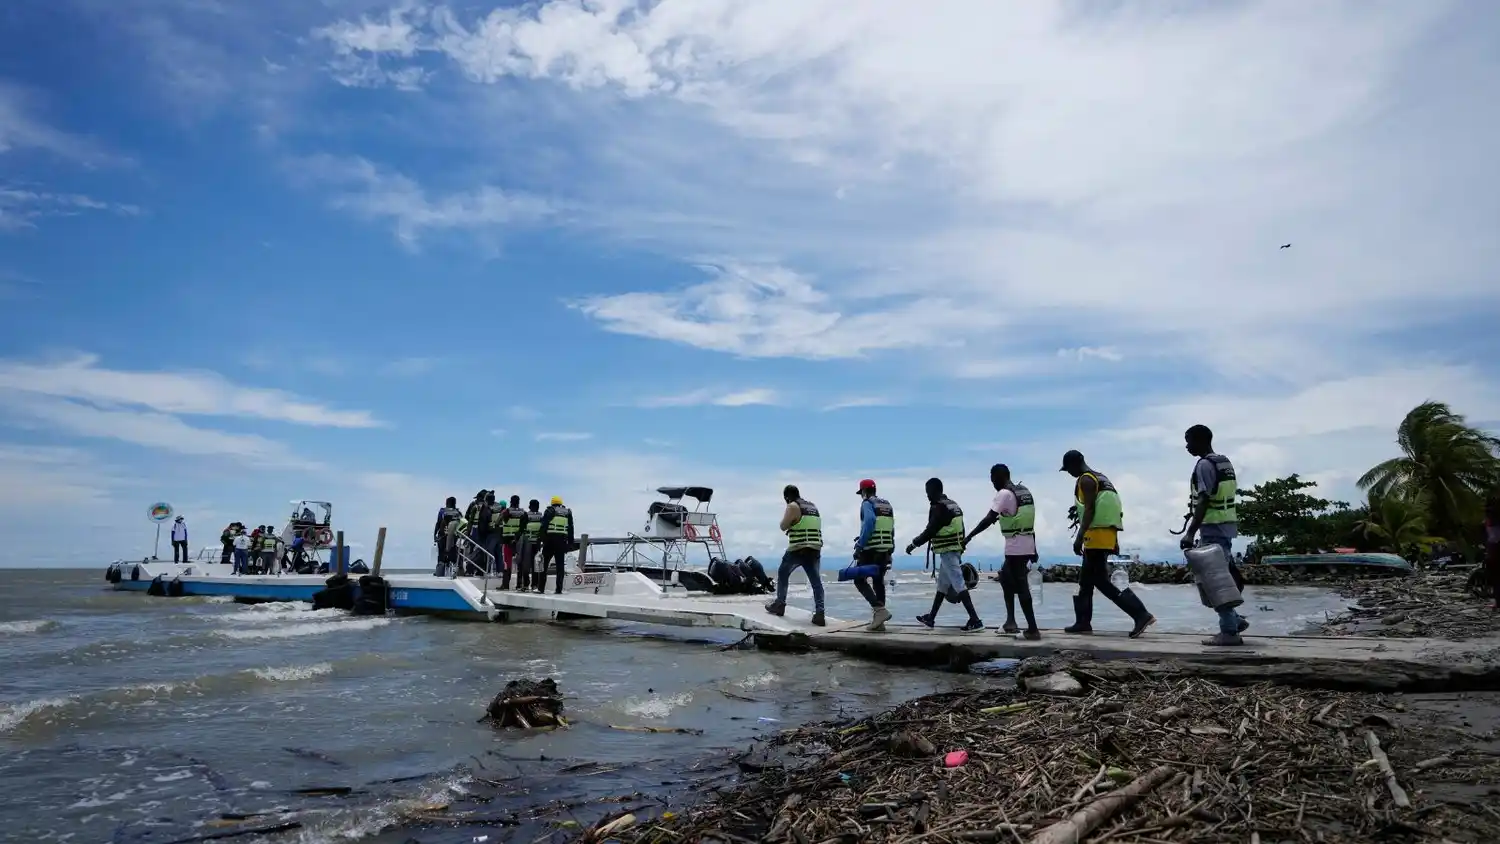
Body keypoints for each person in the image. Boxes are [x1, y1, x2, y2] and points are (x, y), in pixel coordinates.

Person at [1060, 450, 1155, 638]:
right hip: (1107, 534)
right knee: (1086, 581)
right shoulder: (1103, 479)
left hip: (1095, 534)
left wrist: (1079, 536)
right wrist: (1115, 541)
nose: (1068, 473)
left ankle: (1140, 614)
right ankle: (1083, 623)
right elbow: (1112, 509)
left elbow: (1089, 509)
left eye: (1068, 468)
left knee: (1100, 581)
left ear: (1075, 463)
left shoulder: (1086, 480)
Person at [1180, 424, 1250, 646]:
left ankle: (1229, 631)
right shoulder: (1224, 463)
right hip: (1226, 527)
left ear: (1200, 440)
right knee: (1223, 577)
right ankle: (1235, 621)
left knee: (1214, 581)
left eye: (1189, 441)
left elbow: (1204, 499)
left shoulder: (1203, 465)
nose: (1187, 446)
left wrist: (1190, 532)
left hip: (1212, 529)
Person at [964, 464, 1041, 639]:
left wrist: (969, 537)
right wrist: (1034, 548)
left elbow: (989, 518)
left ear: (998, 476)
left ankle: (1033, 630)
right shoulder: (1023, 492)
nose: (992, 483)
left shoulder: (1004, 494)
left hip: (1016, 546)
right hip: (1026, 543)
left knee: (1021, 585)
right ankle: (1011, 622)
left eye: (992, 479)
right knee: (1006, 578)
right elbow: (1027, 520)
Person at [906, 477, 984, 632]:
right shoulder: (953, 505)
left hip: (948, 551)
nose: (927, 496)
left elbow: (930, 530)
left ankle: (975, 620)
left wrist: (913, 544)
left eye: (928, 492)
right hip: (953, 549)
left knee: (958, 584)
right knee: (942, 585)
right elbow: (961, 528)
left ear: (934, 491)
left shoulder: (939, 507)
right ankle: (931, 618)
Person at [764, 485, 827, 626]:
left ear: (787, 497)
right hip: (815, 548)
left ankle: (780, 604)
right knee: (816, 582)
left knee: (783, 572)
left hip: (799, 548)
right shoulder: (812, 506)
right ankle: (820, 613)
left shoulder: (792, 506)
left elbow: (783, 526)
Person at [851, 479, 896, 632]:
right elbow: (891, 527)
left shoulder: (866, 503)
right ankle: (879, 622)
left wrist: (860, 545)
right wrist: (890, 547)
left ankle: (879, 611)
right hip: (885, 548)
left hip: (871, 549)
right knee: (878, 582)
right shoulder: (886, 505)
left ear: (864, 492)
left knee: (858, 579)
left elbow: (869, 522)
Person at [539, 495, 575, 594]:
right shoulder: (567, 512)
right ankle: (558, 589)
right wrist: (570, 543)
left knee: (544, 565)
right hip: (562, 541)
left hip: (550, 541)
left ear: (552, 503)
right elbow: (571, 528)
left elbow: (544, 526)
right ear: (560, 503)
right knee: (560, 567)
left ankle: (541, 588)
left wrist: (542, 539)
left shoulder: (550, 511)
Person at [516, 498, 544, 591]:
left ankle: (525, 585)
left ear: (530, 506)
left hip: (527, 542)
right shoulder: (541, 516)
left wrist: (516, 541)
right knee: (536, 564)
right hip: (537, 543)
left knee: (526, 565)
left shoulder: (525, 515)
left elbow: (520, 529)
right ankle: (534, 585)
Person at [499, 494, 526, 589]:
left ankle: (505, 584)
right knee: (520, 562)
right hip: (518, 540)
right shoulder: (523, 512)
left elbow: (498, 522)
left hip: (507, 539)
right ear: (518, 502)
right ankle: (519, 584)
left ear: (510, 501)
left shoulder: (506, 512)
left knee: (507, 563)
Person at [433, 497, 462, 576]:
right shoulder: (458, 512)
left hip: (443, 536)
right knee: (453, 553)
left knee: (441, 555)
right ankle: (455, 570)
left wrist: (434, 535)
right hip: (454, 537)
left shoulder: (442, 511)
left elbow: (438, 523)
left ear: (447, 503)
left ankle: (439, 572)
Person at [1484, 493, 1500, 611]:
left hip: (1495, 554)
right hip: (1494, 554)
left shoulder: (1492, 522)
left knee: (1496, 579)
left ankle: (1498, 603)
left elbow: (1494, 539)